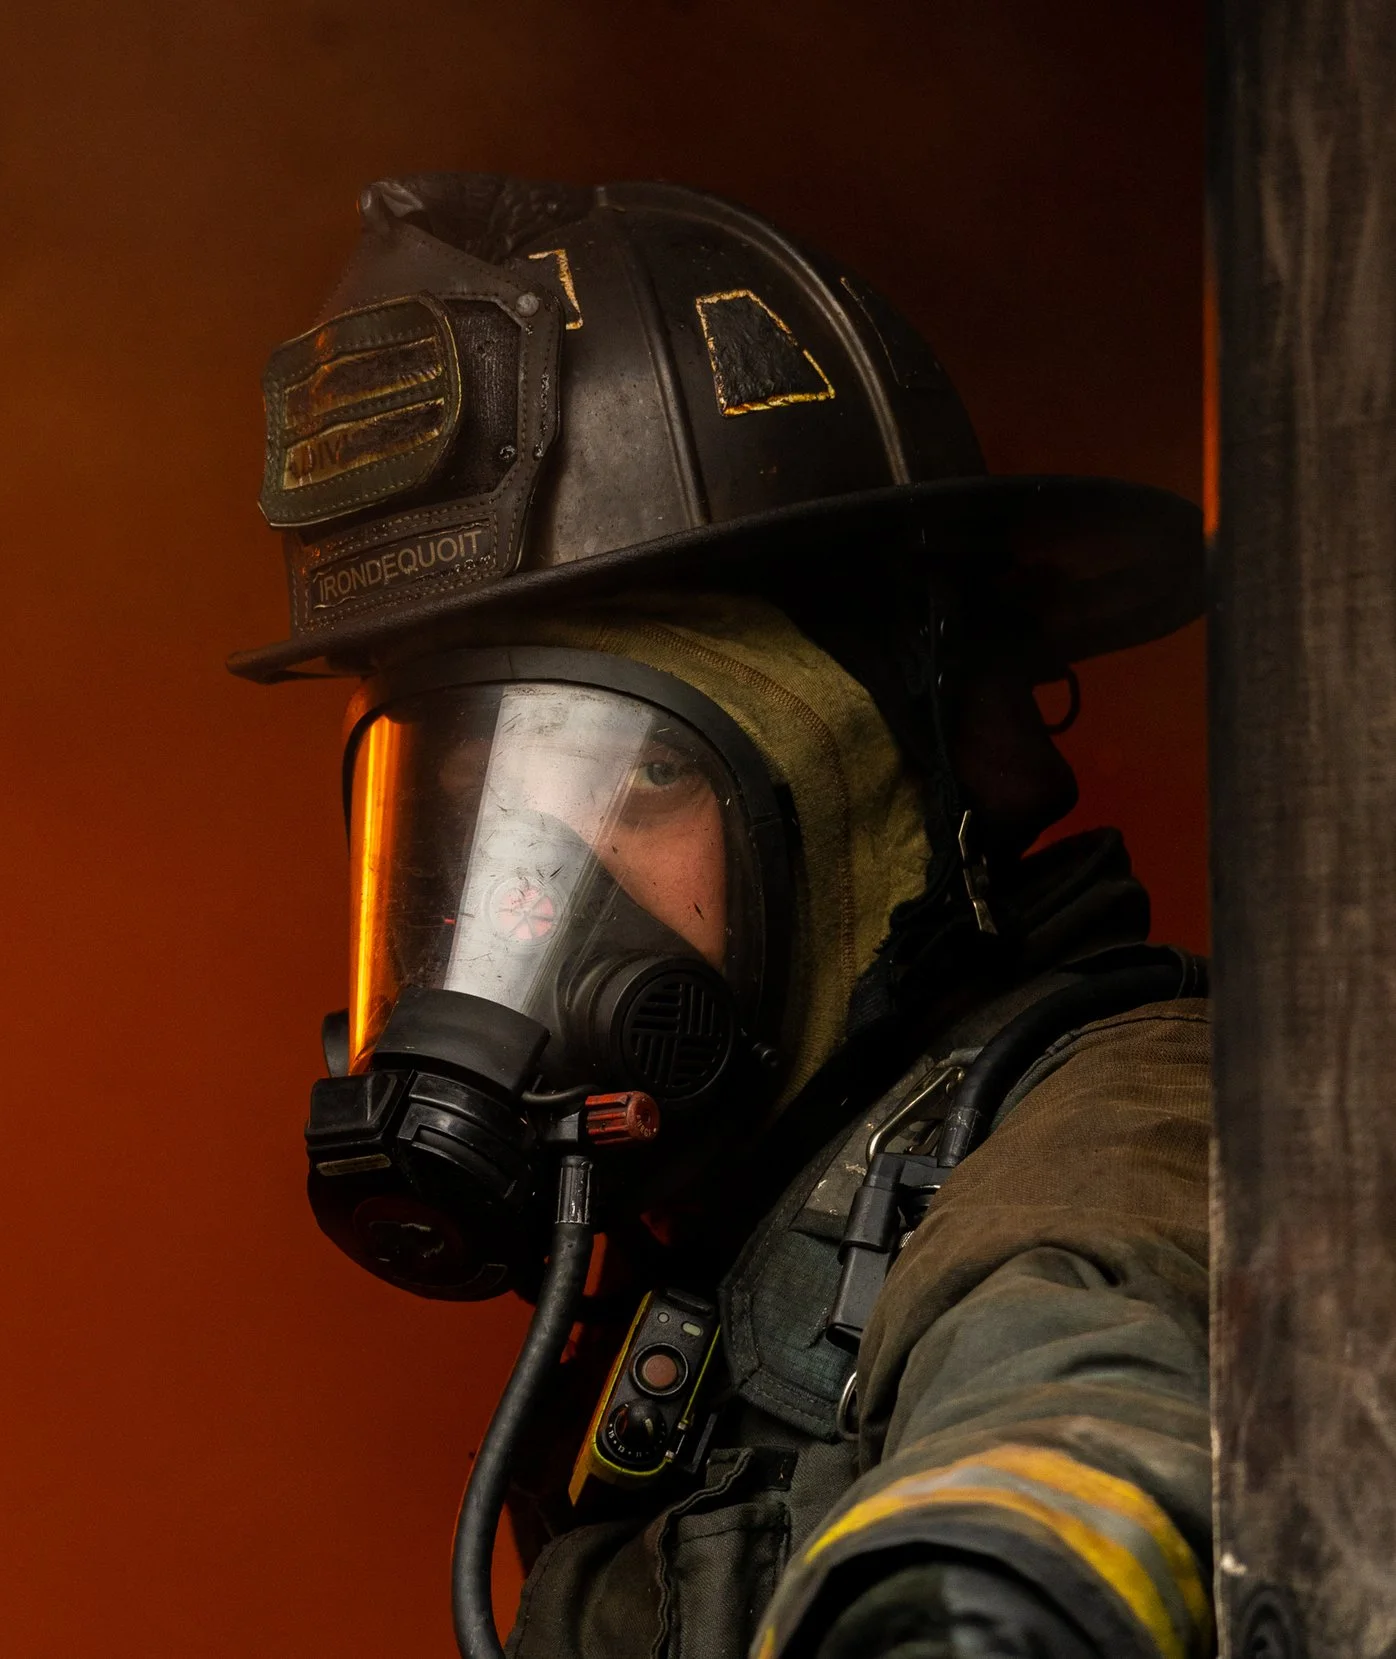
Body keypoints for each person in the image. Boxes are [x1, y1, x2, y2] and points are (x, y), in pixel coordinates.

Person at [233, 176, 1212, 1659]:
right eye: (466, 810)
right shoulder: (721, 1223)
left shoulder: (1133, 1120)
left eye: (634, 781)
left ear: (863, 796)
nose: (518, 903)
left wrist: (985, 1599)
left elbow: (1089, 1384)